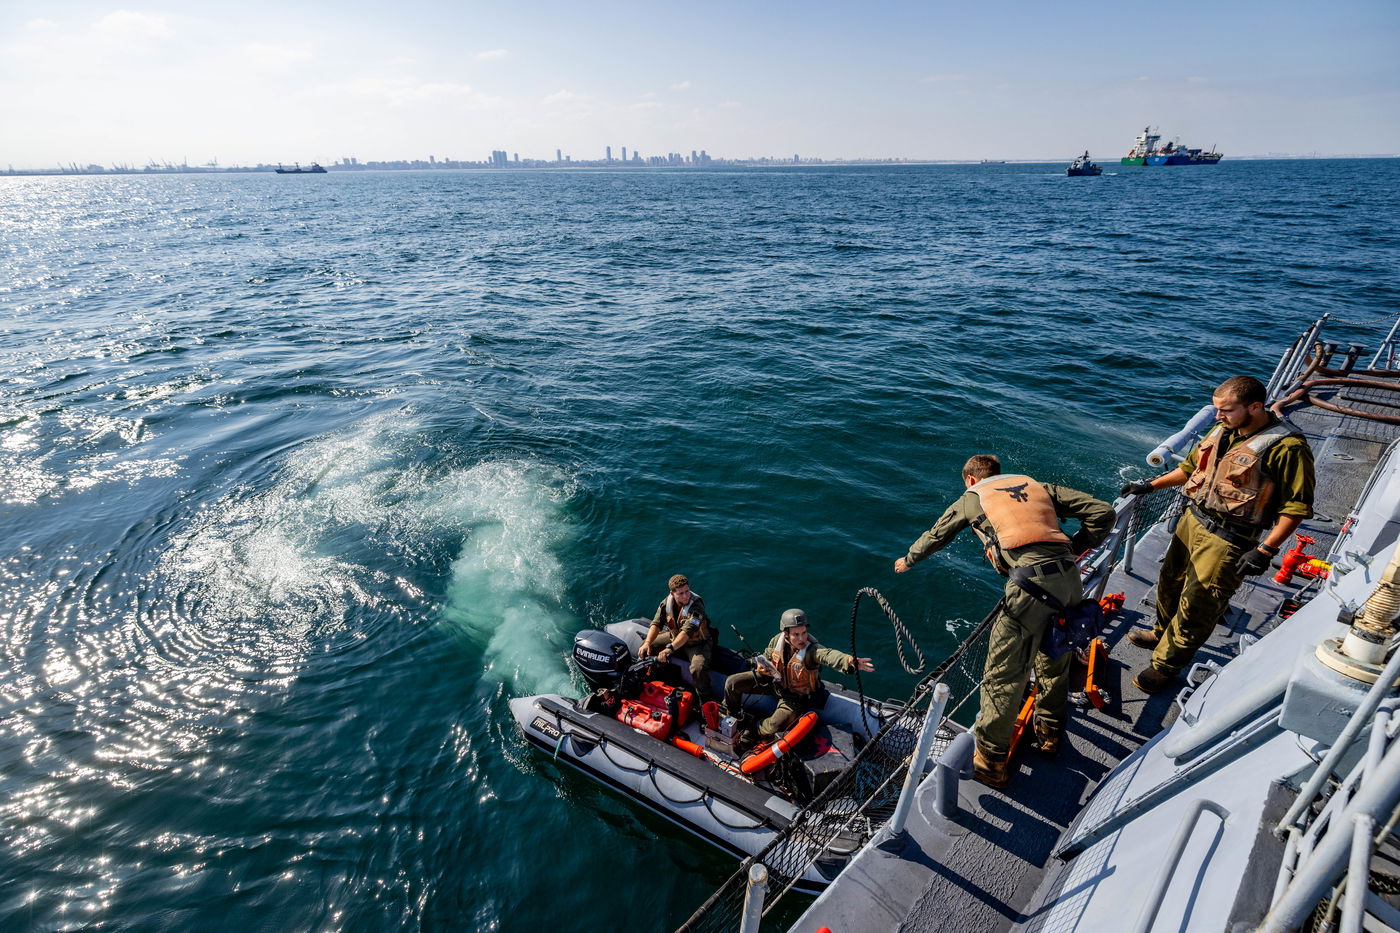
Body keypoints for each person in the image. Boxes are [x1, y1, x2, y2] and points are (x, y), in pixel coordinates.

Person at [895, 454, 1114, 788]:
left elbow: (937, 534)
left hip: (1029, 588)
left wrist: (908, 560)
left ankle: (991, 760)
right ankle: (1050, 734)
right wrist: (1075, 548)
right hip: (1070, 581)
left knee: (1003, 675)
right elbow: (1103, 512)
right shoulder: (1035, 485)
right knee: (1056, 657)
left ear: (970, 479)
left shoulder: (974, 497)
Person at [1119, 376, 1315, 694]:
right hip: (1192, 520)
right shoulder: (1223, 430)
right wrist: (1150, 485)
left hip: (1229, 538)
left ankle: (1164, 667)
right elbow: (1192, 468)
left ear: (1254, 407)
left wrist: (1265, 550)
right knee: (1169, 583)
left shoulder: (1288, 447)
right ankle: (1161, 632)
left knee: (1198, 604)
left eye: (1226, 410)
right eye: (1216, 410)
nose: (1218, 416)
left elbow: (1296, 508)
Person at [722, 609, 873, 750]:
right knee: (732, 683)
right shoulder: (777, 641)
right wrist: (761, 668)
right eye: (796, 634)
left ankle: (755, 728)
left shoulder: (811, 651)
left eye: (804, 633)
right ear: (786, 633)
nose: (801, 638)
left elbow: (828, 655)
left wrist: (849, 661)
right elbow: (767, 655)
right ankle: (733, 716)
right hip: (774, 683)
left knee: (774, 726)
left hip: (795, 697)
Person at [639, 573, 717, 703]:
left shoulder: (697, 606)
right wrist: (647, 642)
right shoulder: (666, 603)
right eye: (681, 593)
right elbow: (656, 623)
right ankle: (653, 674)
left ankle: (705, 698)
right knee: (649, 645)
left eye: (687, 591)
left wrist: (670, 648)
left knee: (697, 669)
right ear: (672, 593)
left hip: (697, 644)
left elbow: (687, 632)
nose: (686, 596)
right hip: (675, 638)